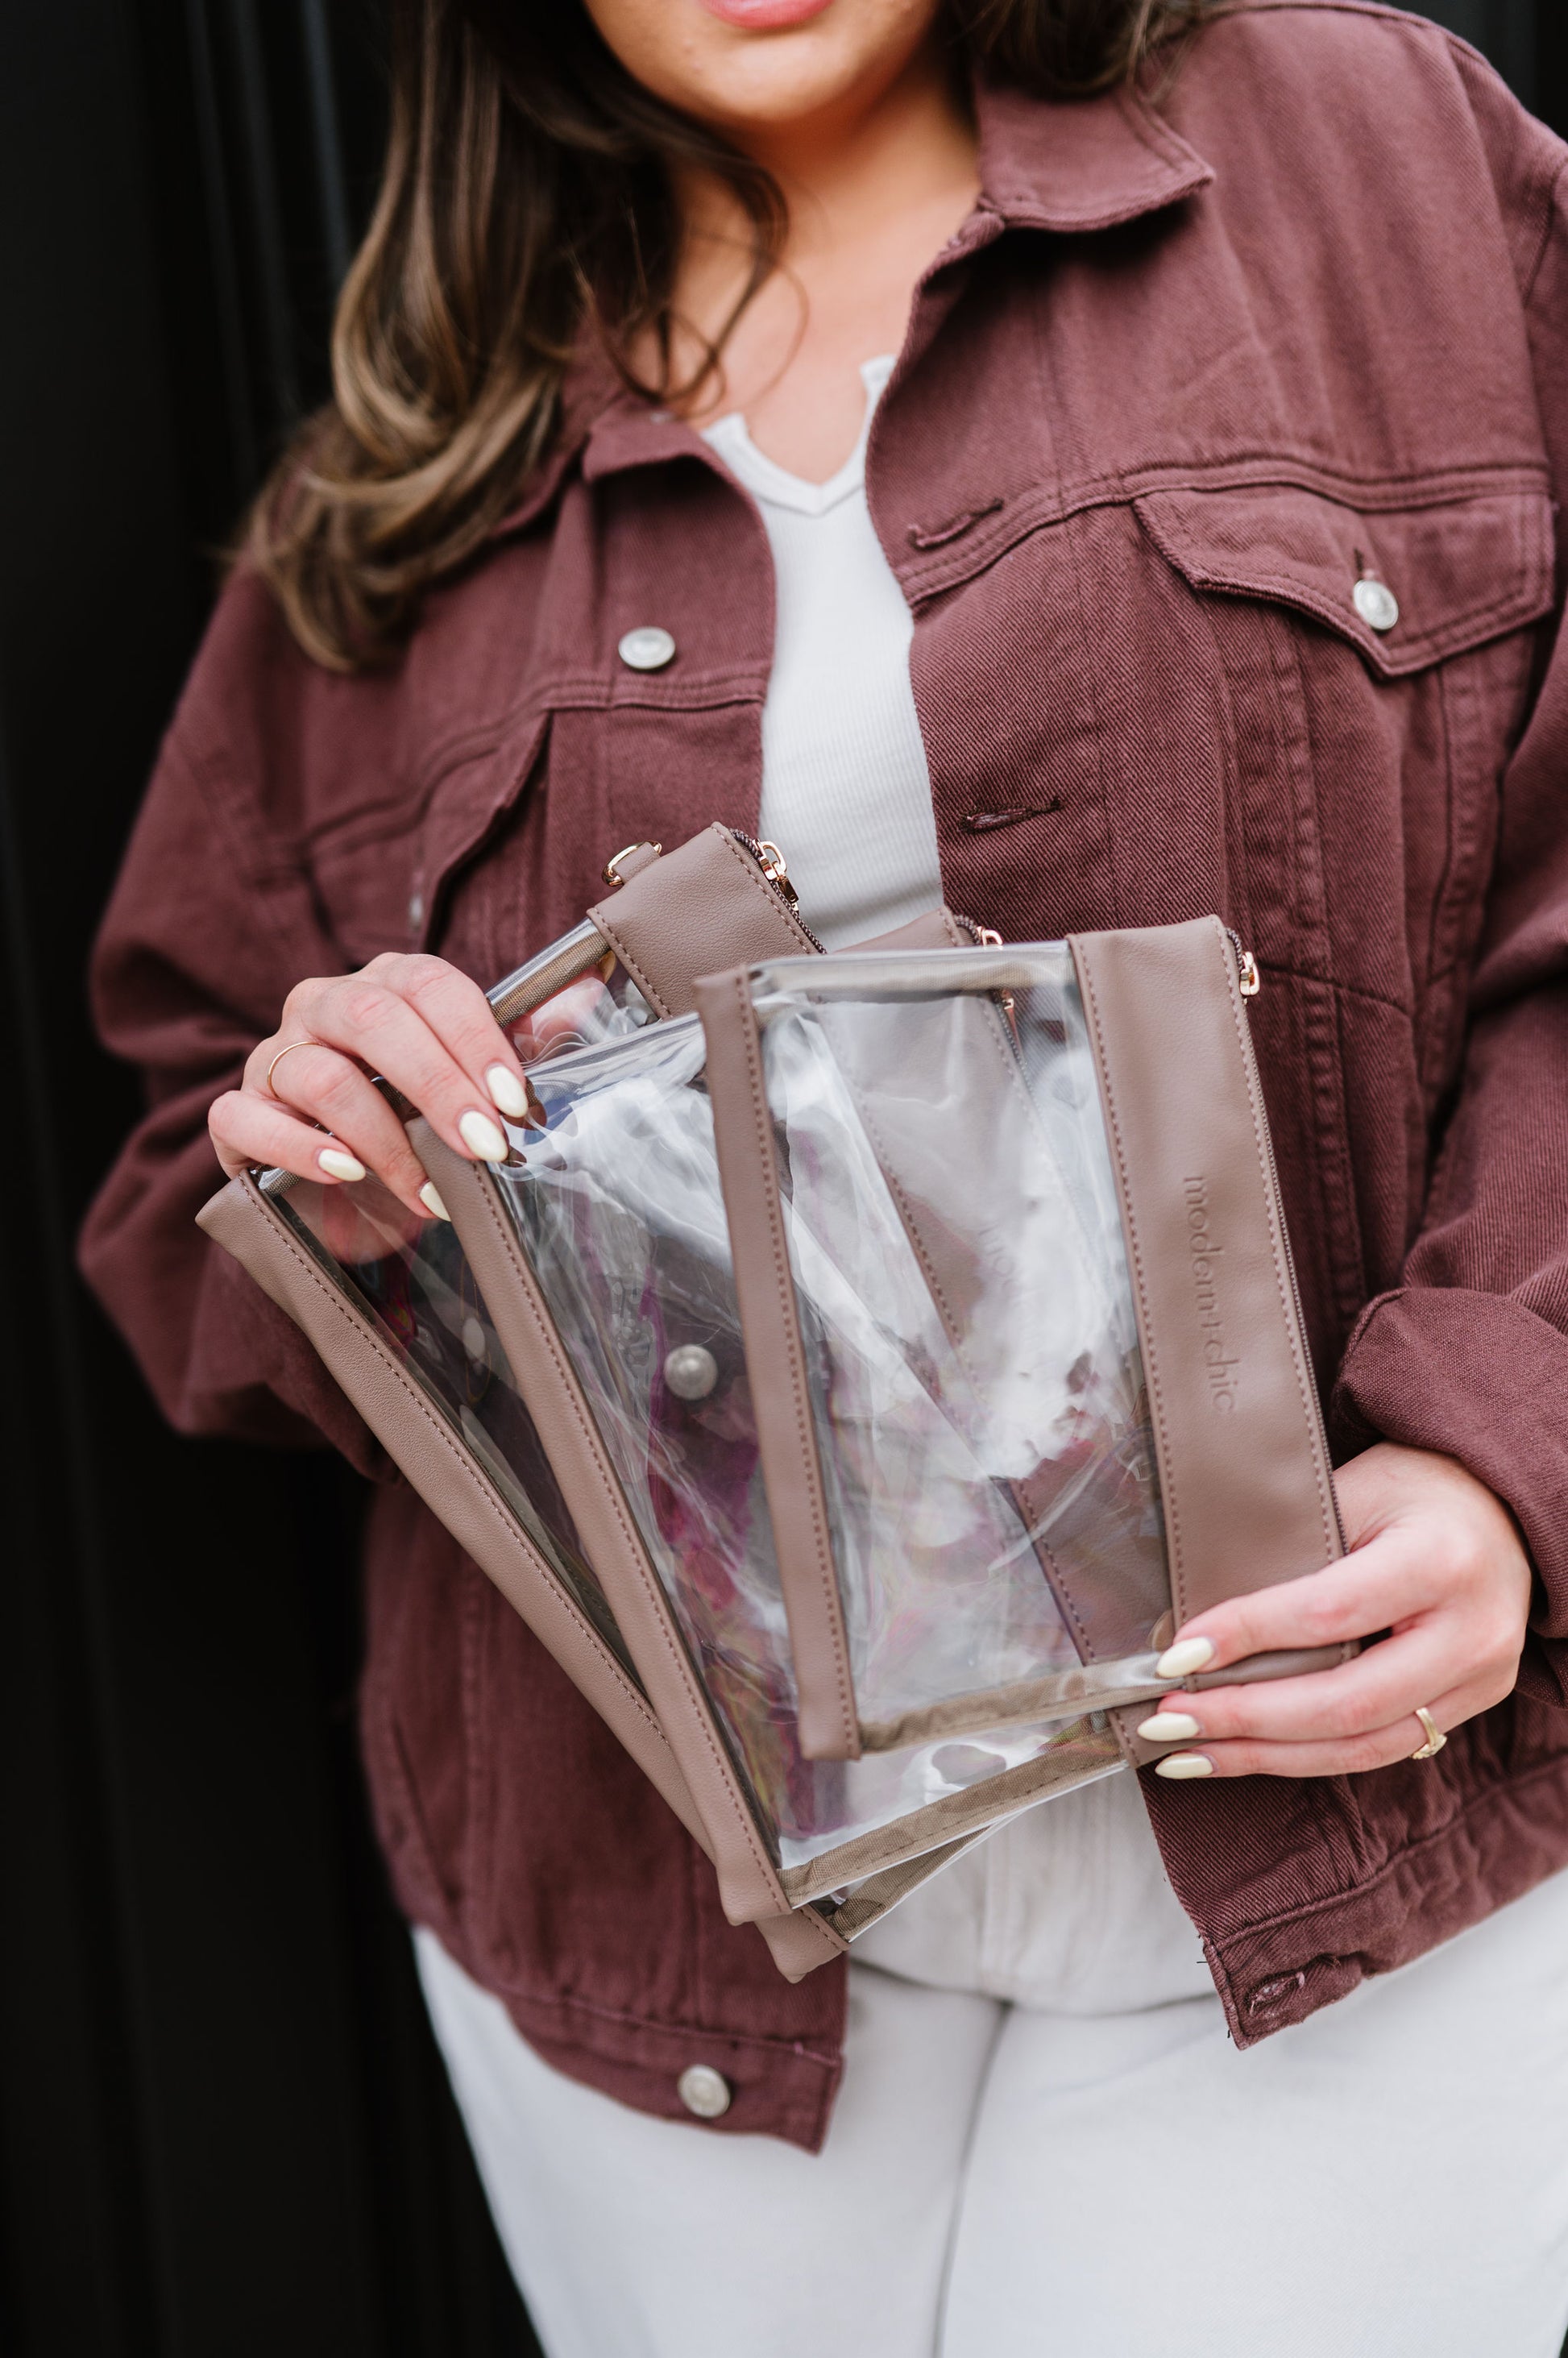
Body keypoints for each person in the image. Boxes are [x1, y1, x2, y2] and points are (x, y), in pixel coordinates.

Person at [81, 1, 1568, 2351]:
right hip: (663, 1924)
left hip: (1349, 1807)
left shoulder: (1367, 152)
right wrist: (347, 1182)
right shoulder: (400, 483)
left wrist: (1519, 1448)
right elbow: (182, 1157)